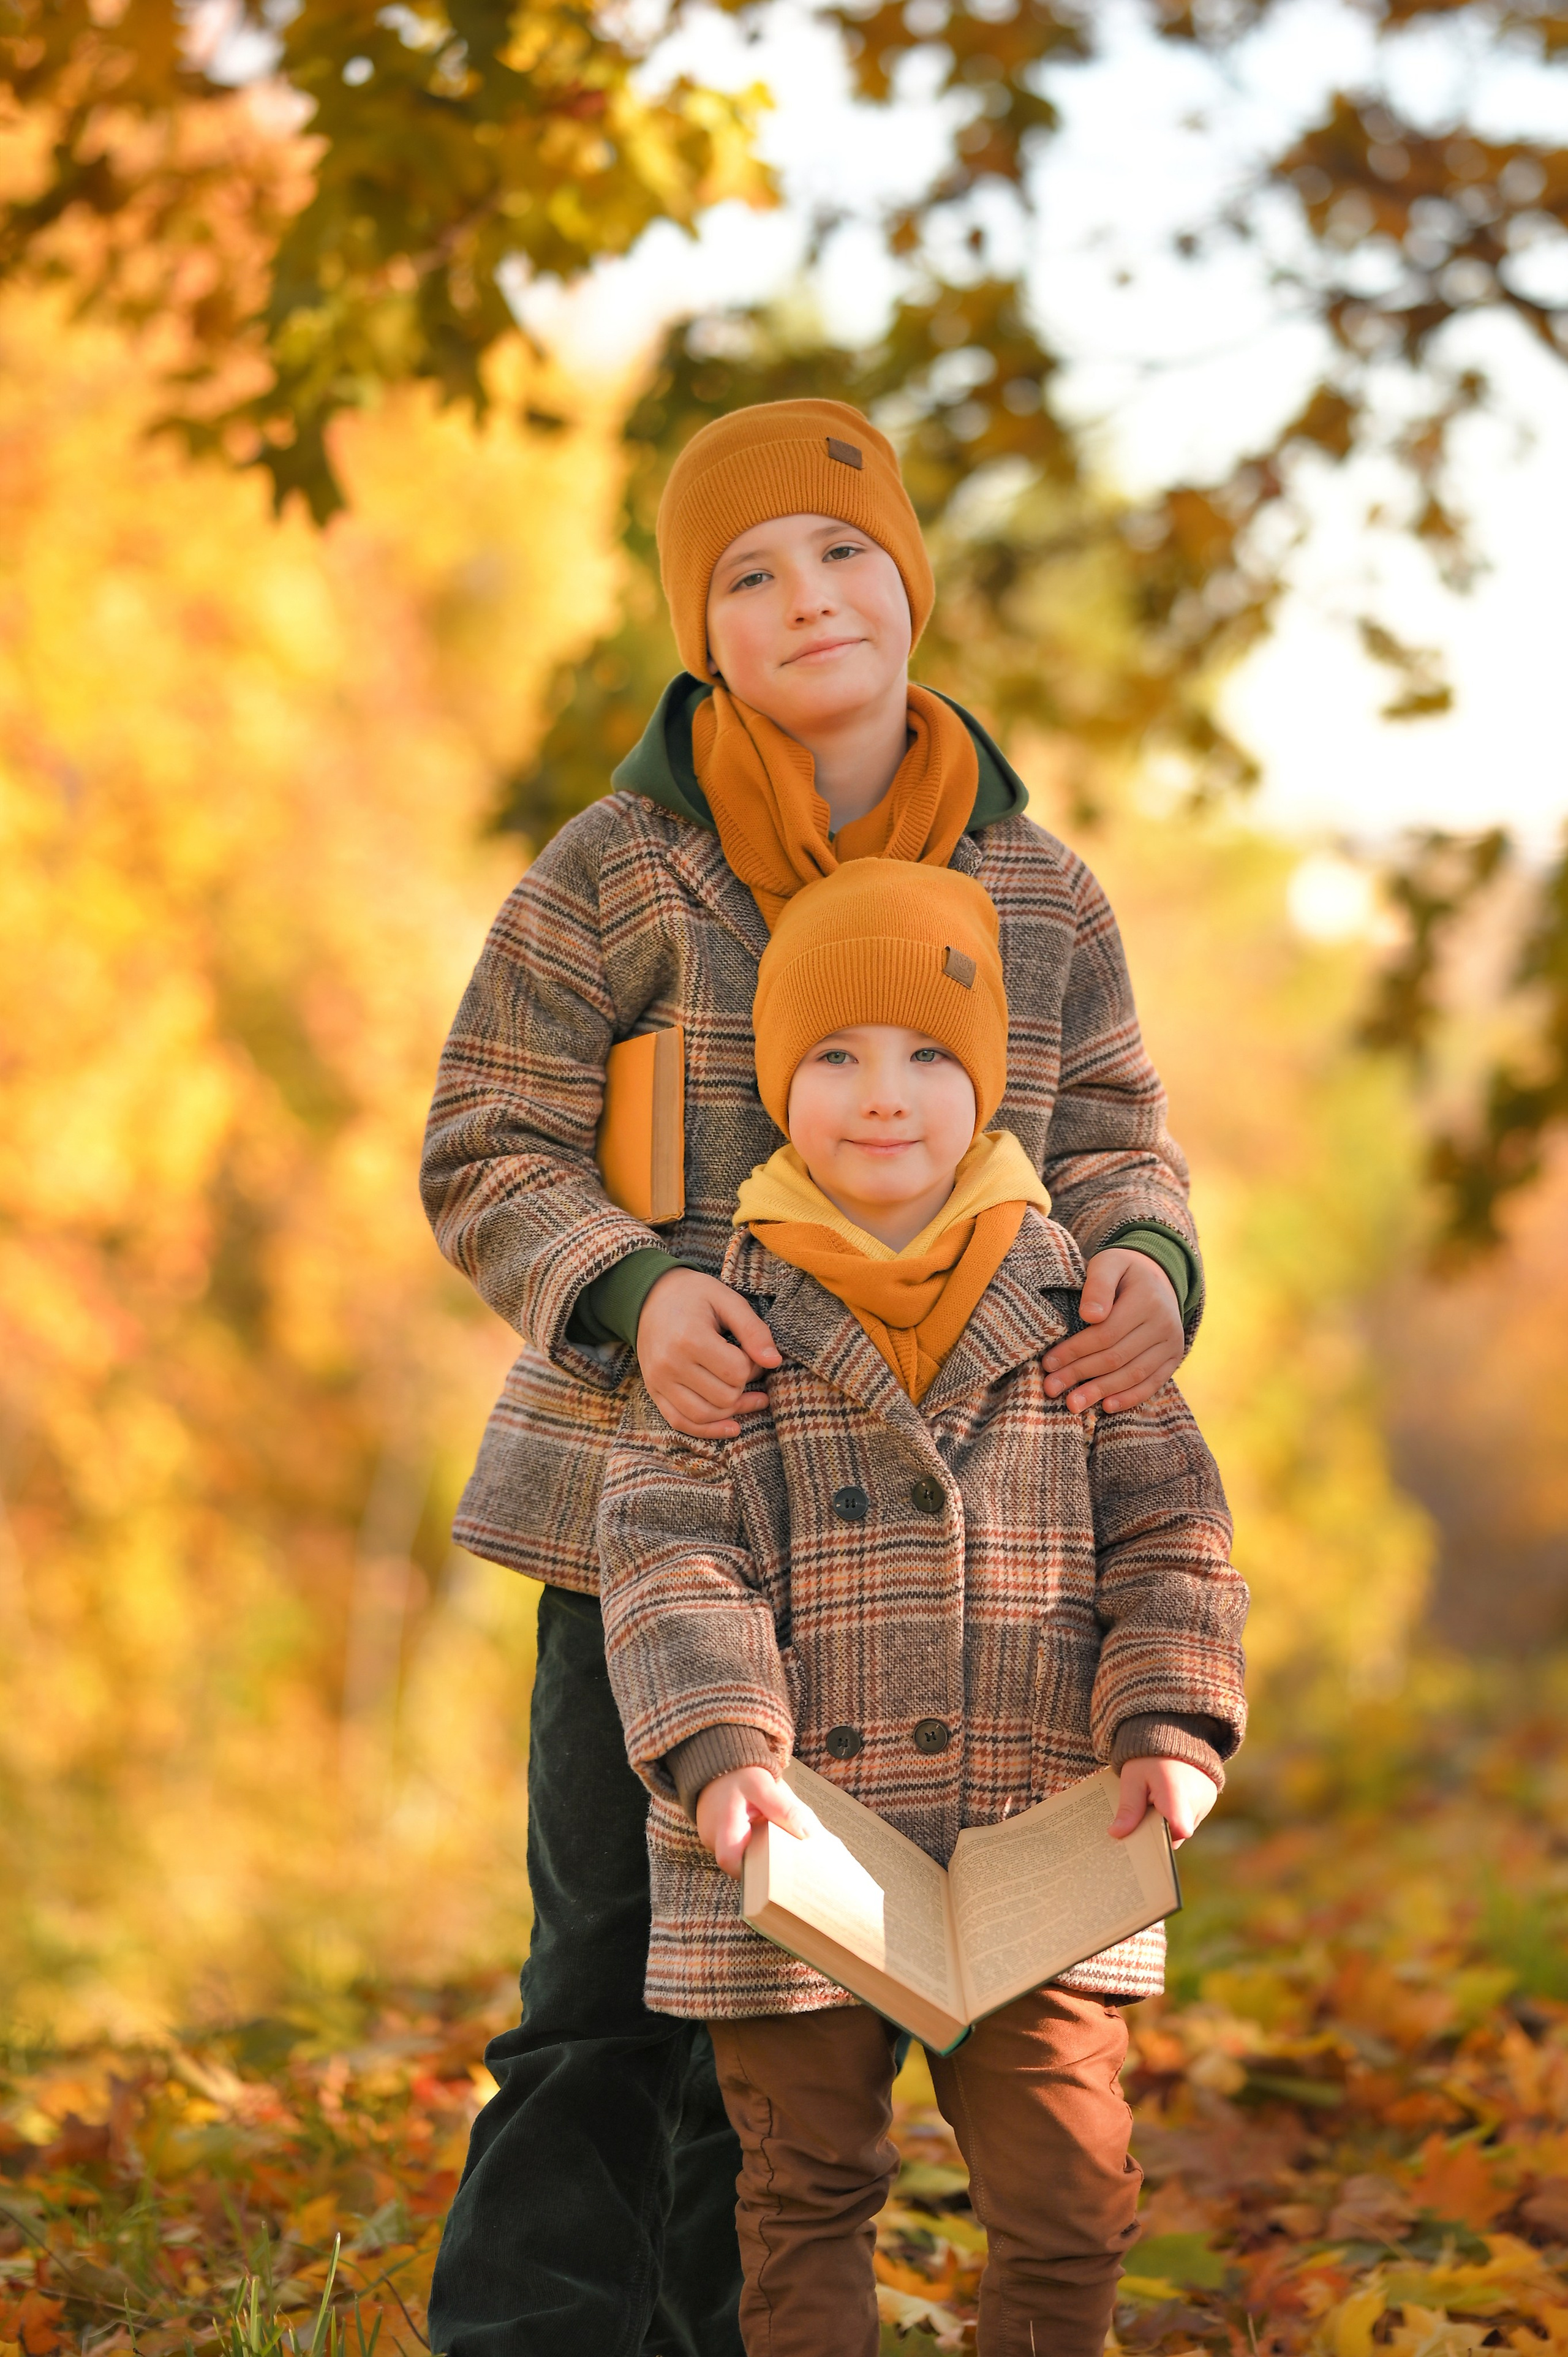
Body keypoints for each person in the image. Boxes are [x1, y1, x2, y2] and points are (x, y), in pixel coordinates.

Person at [421, 398, 1208, 2357]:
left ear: (910, 585)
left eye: (844, 554)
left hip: (957, 1555)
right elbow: (486, 1140)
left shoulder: (1037, 892)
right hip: (660, 1513)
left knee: (797, 2023)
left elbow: (1114, 1128)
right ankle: (534, 2337)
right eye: (749, 575)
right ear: (703, 631)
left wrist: (1148, 1260)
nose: (807, 600)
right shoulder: (621, 868)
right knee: (614, 1977)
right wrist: (619, 1291)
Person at [597, 858, 1249, 2357]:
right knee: (804, 2185)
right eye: (832, 1056)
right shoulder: (728, 1325)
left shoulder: (1078, 1305)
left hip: (1044, 1836)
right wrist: (720, 1748)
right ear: (776, 1085)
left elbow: (1172, 1532)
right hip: (800, 1842)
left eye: (926, 1058)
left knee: (1070, 2192)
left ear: (991, 1083)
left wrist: (1166, 1722)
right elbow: (667, 1550)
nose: (880, 1096)